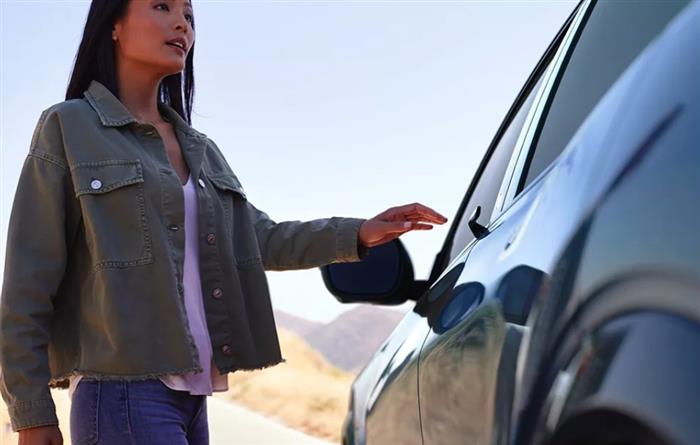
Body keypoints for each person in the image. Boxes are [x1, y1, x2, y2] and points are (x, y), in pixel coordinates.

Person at [0, 0, 448, 444]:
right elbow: (27, 280)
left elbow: (260, 238)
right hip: (123, 395)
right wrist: (31, 412)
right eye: (162, 7)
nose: (181, 24)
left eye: (189, 17)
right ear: (113, 24)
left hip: (194, 400)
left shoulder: (201, 148)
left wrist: (359, 232)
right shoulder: (70, 126)